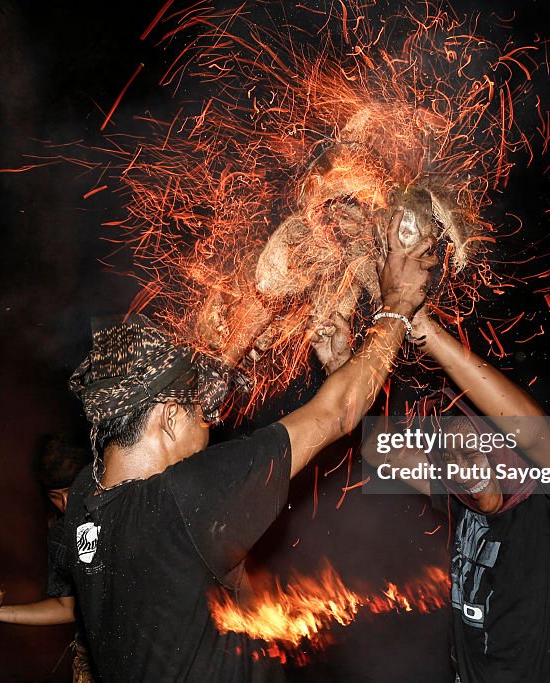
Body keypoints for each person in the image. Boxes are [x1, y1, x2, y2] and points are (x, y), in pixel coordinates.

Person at [63, 209, 435, 682]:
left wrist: (258, 313)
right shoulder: (184, 498)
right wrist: (397, 305)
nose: (212, 420)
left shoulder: (85, 500)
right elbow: (337, 411)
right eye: (200, 410)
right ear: (169, 419)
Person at [359, 307, 550, 683]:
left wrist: (426, 331)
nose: (462, 472)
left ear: (503, 446)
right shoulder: (462, 497)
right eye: (450, 457)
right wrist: (364, 357)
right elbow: (379, 450)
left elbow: (531, 433)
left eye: (472, 453)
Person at [0, 435, 92, 683]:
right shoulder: (60, 533)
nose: (65, 504)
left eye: (71, 491)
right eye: (55, 496)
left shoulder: (126, 510)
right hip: (92, 661)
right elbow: (65, 608)